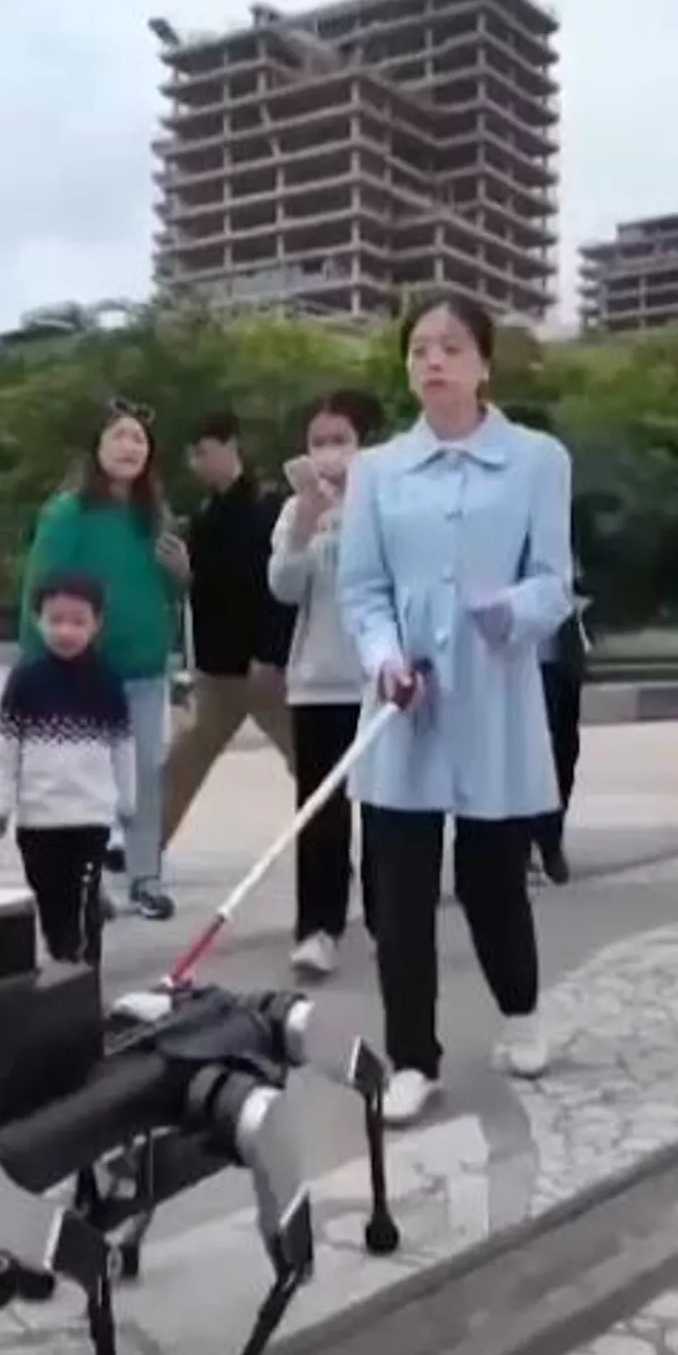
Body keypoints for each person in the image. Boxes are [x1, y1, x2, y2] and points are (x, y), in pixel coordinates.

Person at [339, 291, 572, 1127]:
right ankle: (412, 1058)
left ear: (483, 364)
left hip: (493, 692)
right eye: (419, 349)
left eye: (450, 347)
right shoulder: (375, 471)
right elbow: (362, 590)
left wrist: (507, 612)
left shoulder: (539, 460)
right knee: (397, 892)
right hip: (405, 702)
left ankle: (522, 1013)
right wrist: (384, 659)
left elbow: (555, 581)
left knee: (491, 877)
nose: (432, 361)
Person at [21, 402, 181, 921]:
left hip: (145, 667)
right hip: (85, 668)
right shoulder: (68, 513)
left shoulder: (152, 514)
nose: (130, 447)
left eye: (139, 439)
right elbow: (40, 588)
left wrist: (182, 573)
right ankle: (85, 883)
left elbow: (169, 590)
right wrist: (38, 665)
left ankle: (145, 877)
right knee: (86, 781)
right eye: (120, 436)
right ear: (97, 447)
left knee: (145, 777)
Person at [267, 387, 385, 979]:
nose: (329, 451)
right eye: (318, 441)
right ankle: (318, 928)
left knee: (387, 810)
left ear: (364, 444)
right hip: (316, 682)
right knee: (320, 813)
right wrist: (305, 526)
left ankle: (392, 919)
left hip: (378, 681)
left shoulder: (385, 501)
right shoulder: (296, 510)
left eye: (340, 439)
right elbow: (284, 587)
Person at [160, 409, 296, 851]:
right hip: (217, 671)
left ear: (230, 446)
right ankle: (143, 849)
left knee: (311, 764)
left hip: (263, 670)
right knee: (183, 762)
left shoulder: (266, 508)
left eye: (203, 453)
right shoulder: (207, 514)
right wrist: (186, 574)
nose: (196, 464)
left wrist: (270, 656)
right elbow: (206, 589)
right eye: (192, 456)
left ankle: (334, 851)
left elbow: (271, 590)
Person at [0, 573, 134, 967]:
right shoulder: (25, 681)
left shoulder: (107, 682)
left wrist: (127, 802)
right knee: (51, 899)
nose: (66, 631)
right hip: (39, 818)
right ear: (38, 620)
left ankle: (83, 976)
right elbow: (5, 748)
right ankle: (63, 960)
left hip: (90, 816)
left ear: (96, 624)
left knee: (82, 904)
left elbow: (123, 748)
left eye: (78, 621)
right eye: (56, 620)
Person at [500, 404, 586, 884]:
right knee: (512, 755)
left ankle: (550, 839)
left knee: (562, 749)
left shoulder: (565, 512)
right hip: (509, 654)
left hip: (557, 653)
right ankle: (515, 848)